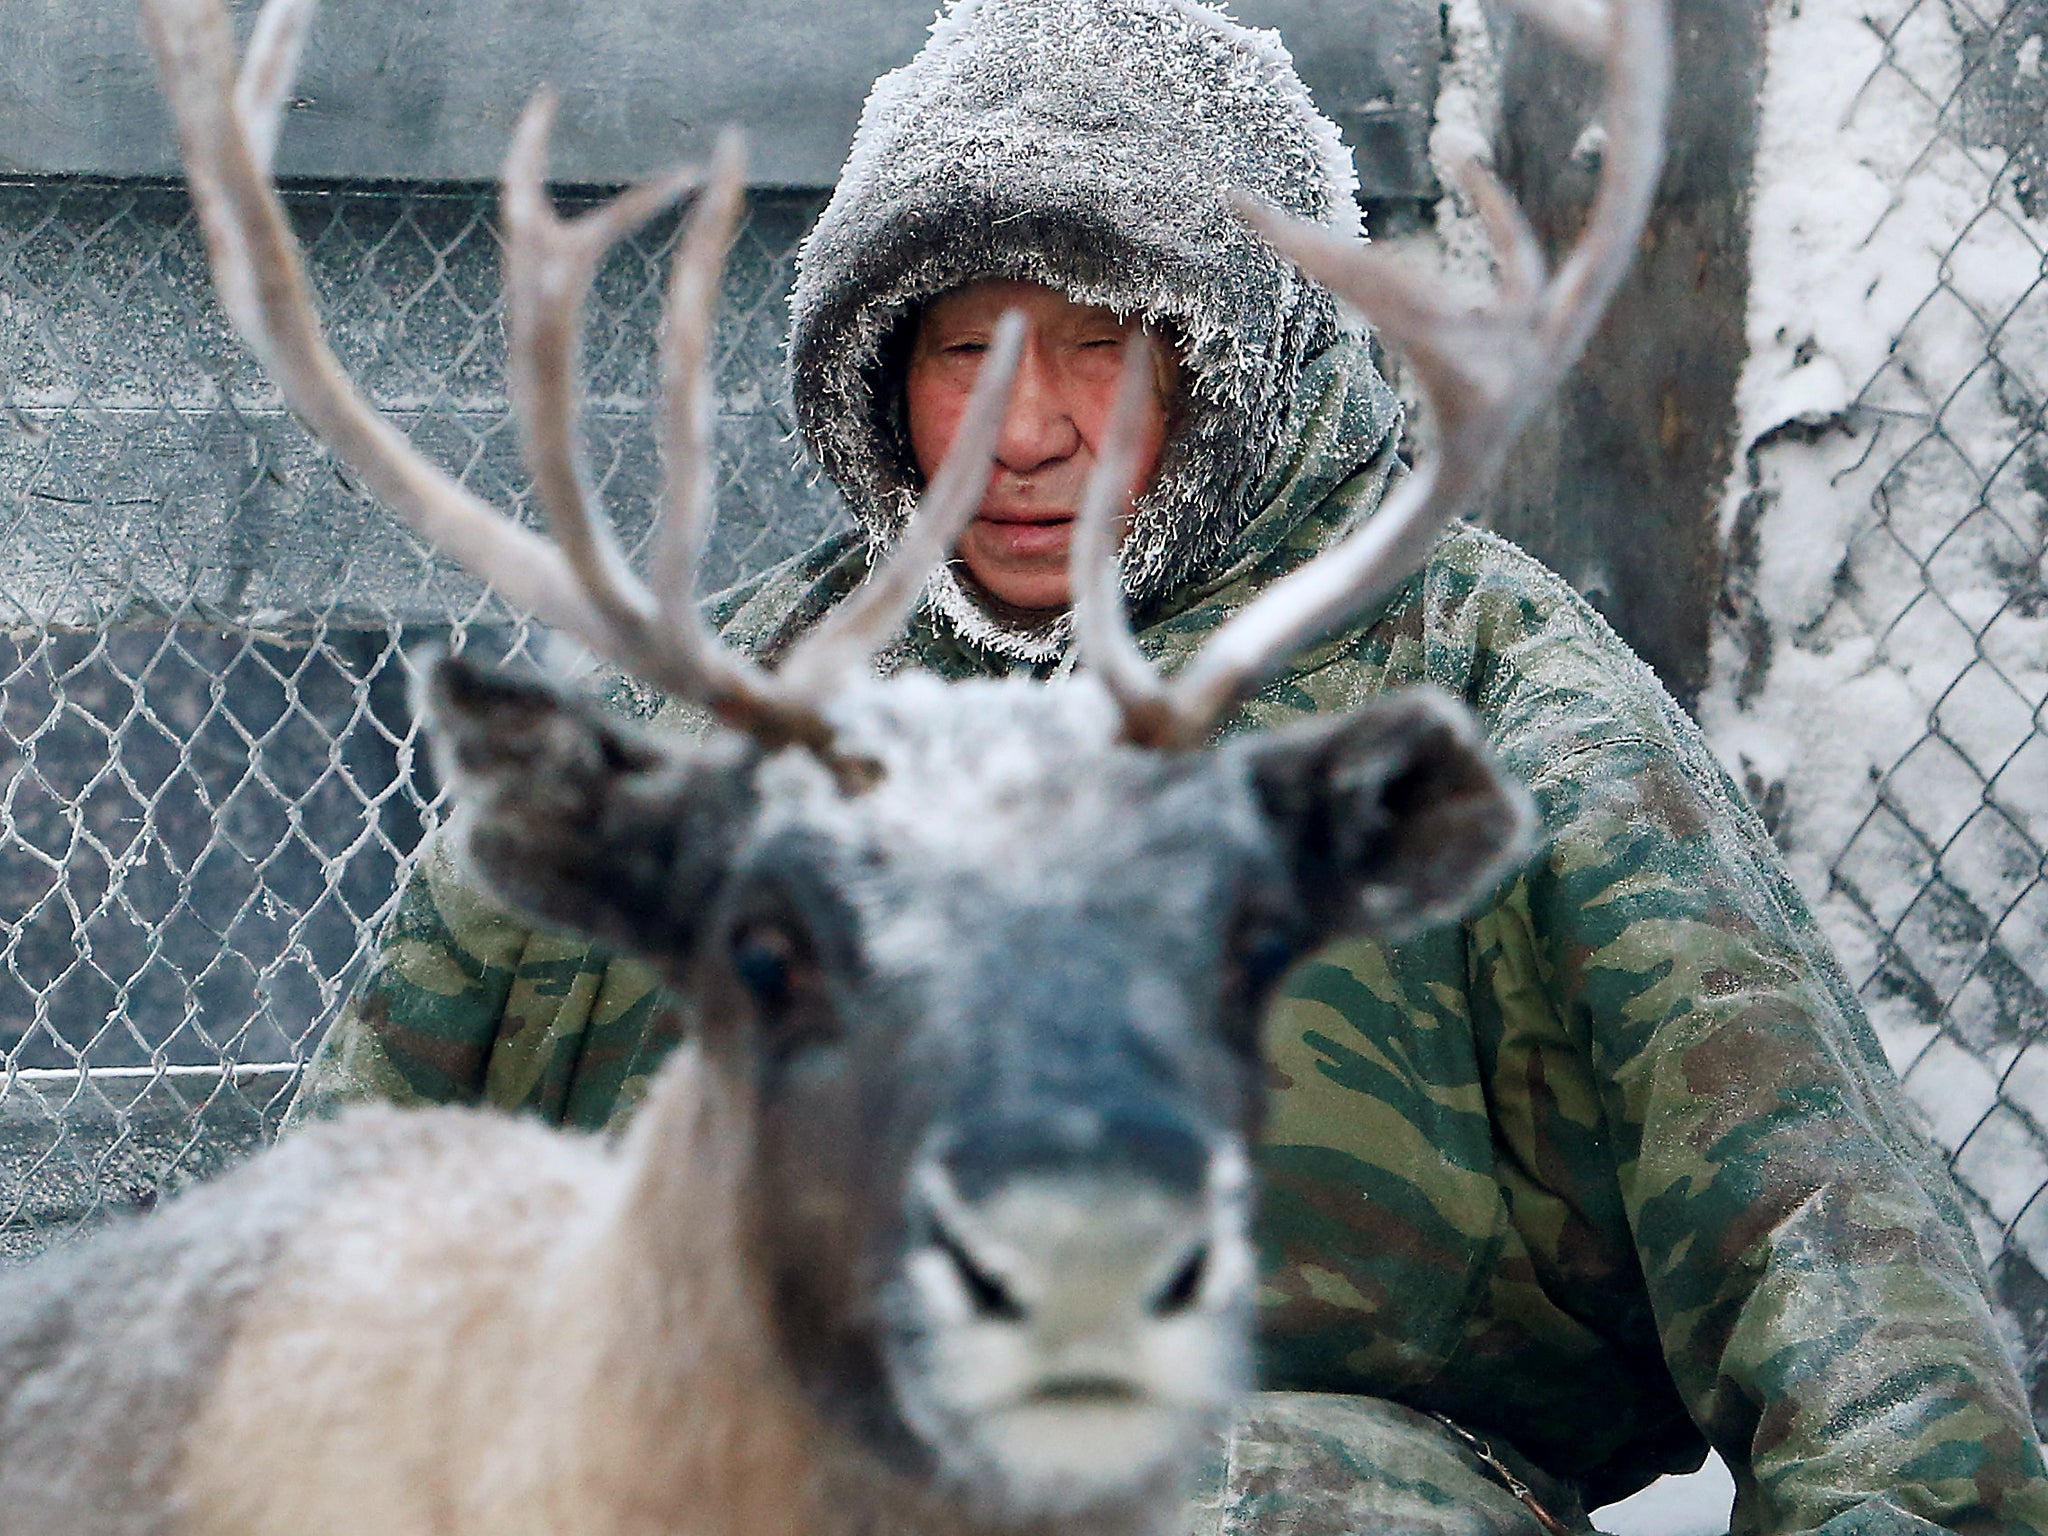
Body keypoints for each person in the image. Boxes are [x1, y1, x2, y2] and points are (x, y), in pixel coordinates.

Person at [287, 0, 2048, 1531]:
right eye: (967, 347)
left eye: (1100, 341)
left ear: (1240, 345)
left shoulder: (1481, 689)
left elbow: (1832, 1267)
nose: (1027, 428)